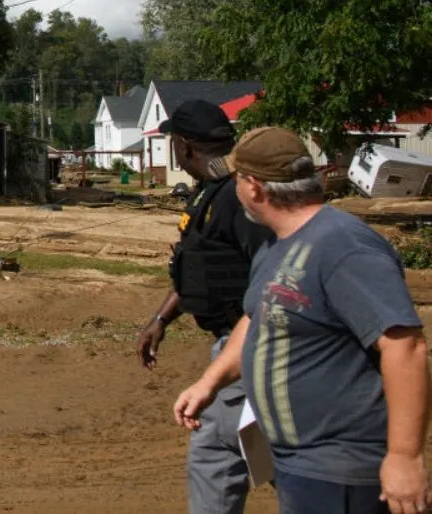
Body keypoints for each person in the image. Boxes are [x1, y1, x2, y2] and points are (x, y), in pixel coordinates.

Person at [174, 127, 431, 514]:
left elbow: (405, 347)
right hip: (299, 465)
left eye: (237, 179)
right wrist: (210, 382)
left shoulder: (344, 247)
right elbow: (259, 317)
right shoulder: (278, 244)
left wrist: (404, 456)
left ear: (254, 187)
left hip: (344, 471)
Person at [136, 99, 273, 514]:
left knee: (241, 455)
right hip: (234, 352)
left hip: (249, 350)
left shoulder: (238, 197)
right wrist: (162, 318)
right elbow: (200, 267)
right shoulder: (210, 194)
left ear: (182, 145)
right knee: (230, 453)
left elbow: (271, 275)